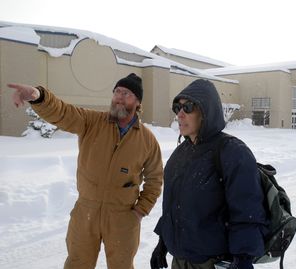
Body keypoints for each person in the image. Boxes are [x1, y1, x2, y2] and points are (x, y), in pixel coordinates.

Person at [7, 73, 164, 269]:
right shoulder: (91, 122)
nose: (120, 97)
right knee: (77, 264)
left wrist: (140, 211)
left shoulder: (147, 140)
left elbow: (155, 179)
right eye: (117, 92)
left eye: (127, 93)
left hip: (123, 216)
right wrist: (38, 96)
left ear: (138, 102)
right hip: (85, 211)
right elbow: (63, 113)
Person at [150, 79, 269, 269]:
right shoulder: (180, 154)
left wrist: (243, 259)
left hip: (214, 263)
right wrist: (163, 242)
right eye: (177, 108)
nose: (180, 115)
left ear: (206, 112)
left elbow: (247, 211)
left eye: (187, 107)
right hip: (180, 261)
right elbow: (173, 206)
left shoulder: (232, 152)